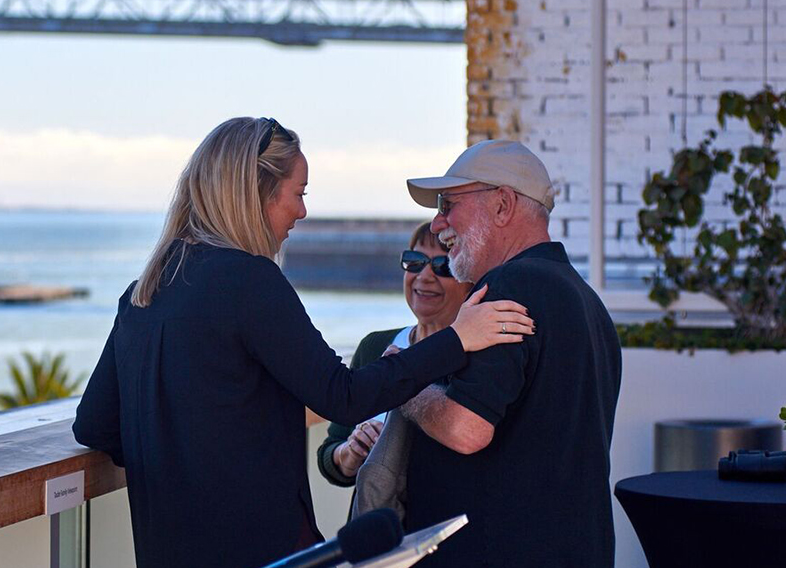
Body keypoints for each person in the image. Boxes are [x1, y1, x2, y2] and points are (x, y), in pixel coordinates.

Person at [72, 118, 535, 568]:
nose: (302, 212)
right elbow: (344, 396)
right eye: (299, 193)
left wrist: (179, 458)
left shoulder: (143, 292)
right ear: (257, 194)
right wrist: (457, 339)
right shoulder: (249, 281)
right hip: (259, 549)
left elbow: (94, 427)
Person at [398, 139, 622, 567]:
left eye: (449, 204)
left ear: (502, 205)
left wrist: (407, 388)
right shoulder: (588, 303)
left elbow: (467, 429)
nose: (439, 221)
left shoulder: (510, 288)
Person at [314, 222, 475, 513]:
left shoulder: (477, 359)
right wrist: (350, 453)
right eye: (414, 262)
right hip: (380, 534)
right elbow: (331, 453)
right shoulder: (375, 347)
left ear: (468, 280)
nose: (424, 276)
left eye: (442, 266)